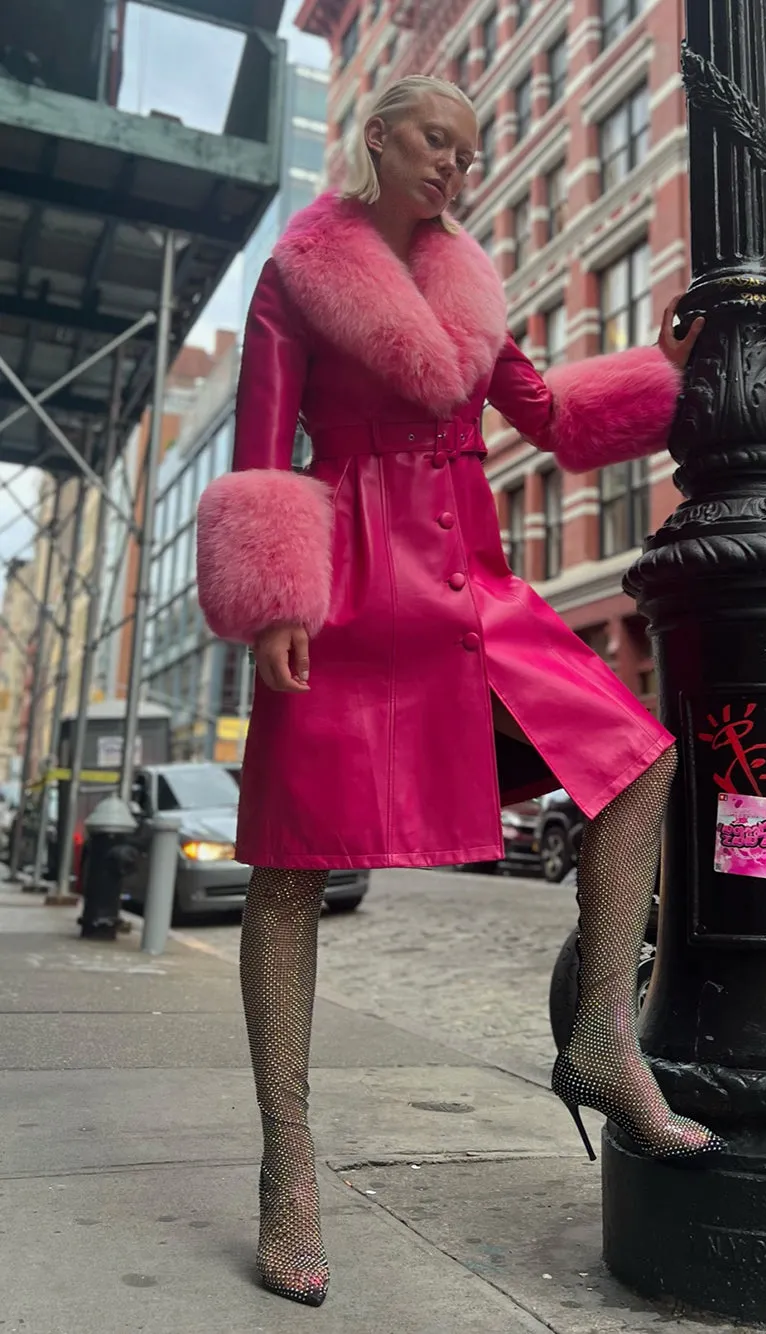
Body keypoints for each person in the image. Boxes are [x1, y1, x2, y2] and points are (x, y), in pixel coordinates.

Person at [196, 74, 722, 1310]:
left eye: (470, 152)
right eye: (440, 141)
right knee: (287, 866)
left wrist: (666, 367)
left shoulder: (469, 278)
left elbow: (544, 414)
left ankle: (600, 1033)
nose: (458, 166)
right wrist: (276, 595)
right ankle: (290, 1166)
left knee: (637, 757)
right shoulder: (296, 272)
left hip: (474, 579)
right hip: (344, 582)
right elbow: (262, 449)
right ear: (376, 136)